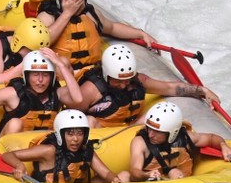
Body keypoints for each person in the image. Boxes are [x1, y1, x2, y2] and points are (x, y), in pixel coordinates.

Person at [78, 44, 220, 127]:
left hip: (129, 129)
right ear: (106, 75)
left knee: (155, 114)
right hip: (102, 135)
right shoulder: (90, 90)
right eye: (118, 81)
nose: (123, 85)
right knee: (89, 121)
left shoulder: (138, 81)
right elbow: (71, 117)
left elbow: (170, 88)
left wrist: (202, 90)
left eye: (127, 80)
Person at [36, 0, 158, 70]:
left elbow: (112, 28)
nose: (75, 3)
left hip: (91, 70)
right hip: (63, 72)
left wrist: (141, 34)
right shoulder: (48, 16)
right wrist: (67, 14)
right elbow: (42, 42)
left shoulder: (90, 14)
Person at [121, 101, 231, 182]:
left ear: (172, 132)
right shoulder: (140, 142)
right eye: (149, 128)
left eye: (157, 131)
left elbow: (211, 138)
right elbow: (135, 171)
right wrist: (147, 175)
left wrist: (223, 145)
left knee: (174, 172)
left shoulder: (186, 137)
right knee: (123, 175)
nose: (150, 134)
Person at [1, 109, 121, 183]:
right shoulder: (49, 151)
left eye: (80, 134)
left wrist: (114, 179)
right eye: (70, 134)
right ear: (60, 134)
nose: (76, 139)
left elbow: (105, 173)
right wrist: (19, 165)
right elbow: (8, 155)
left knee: (123, 176)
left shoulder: (85, 150)